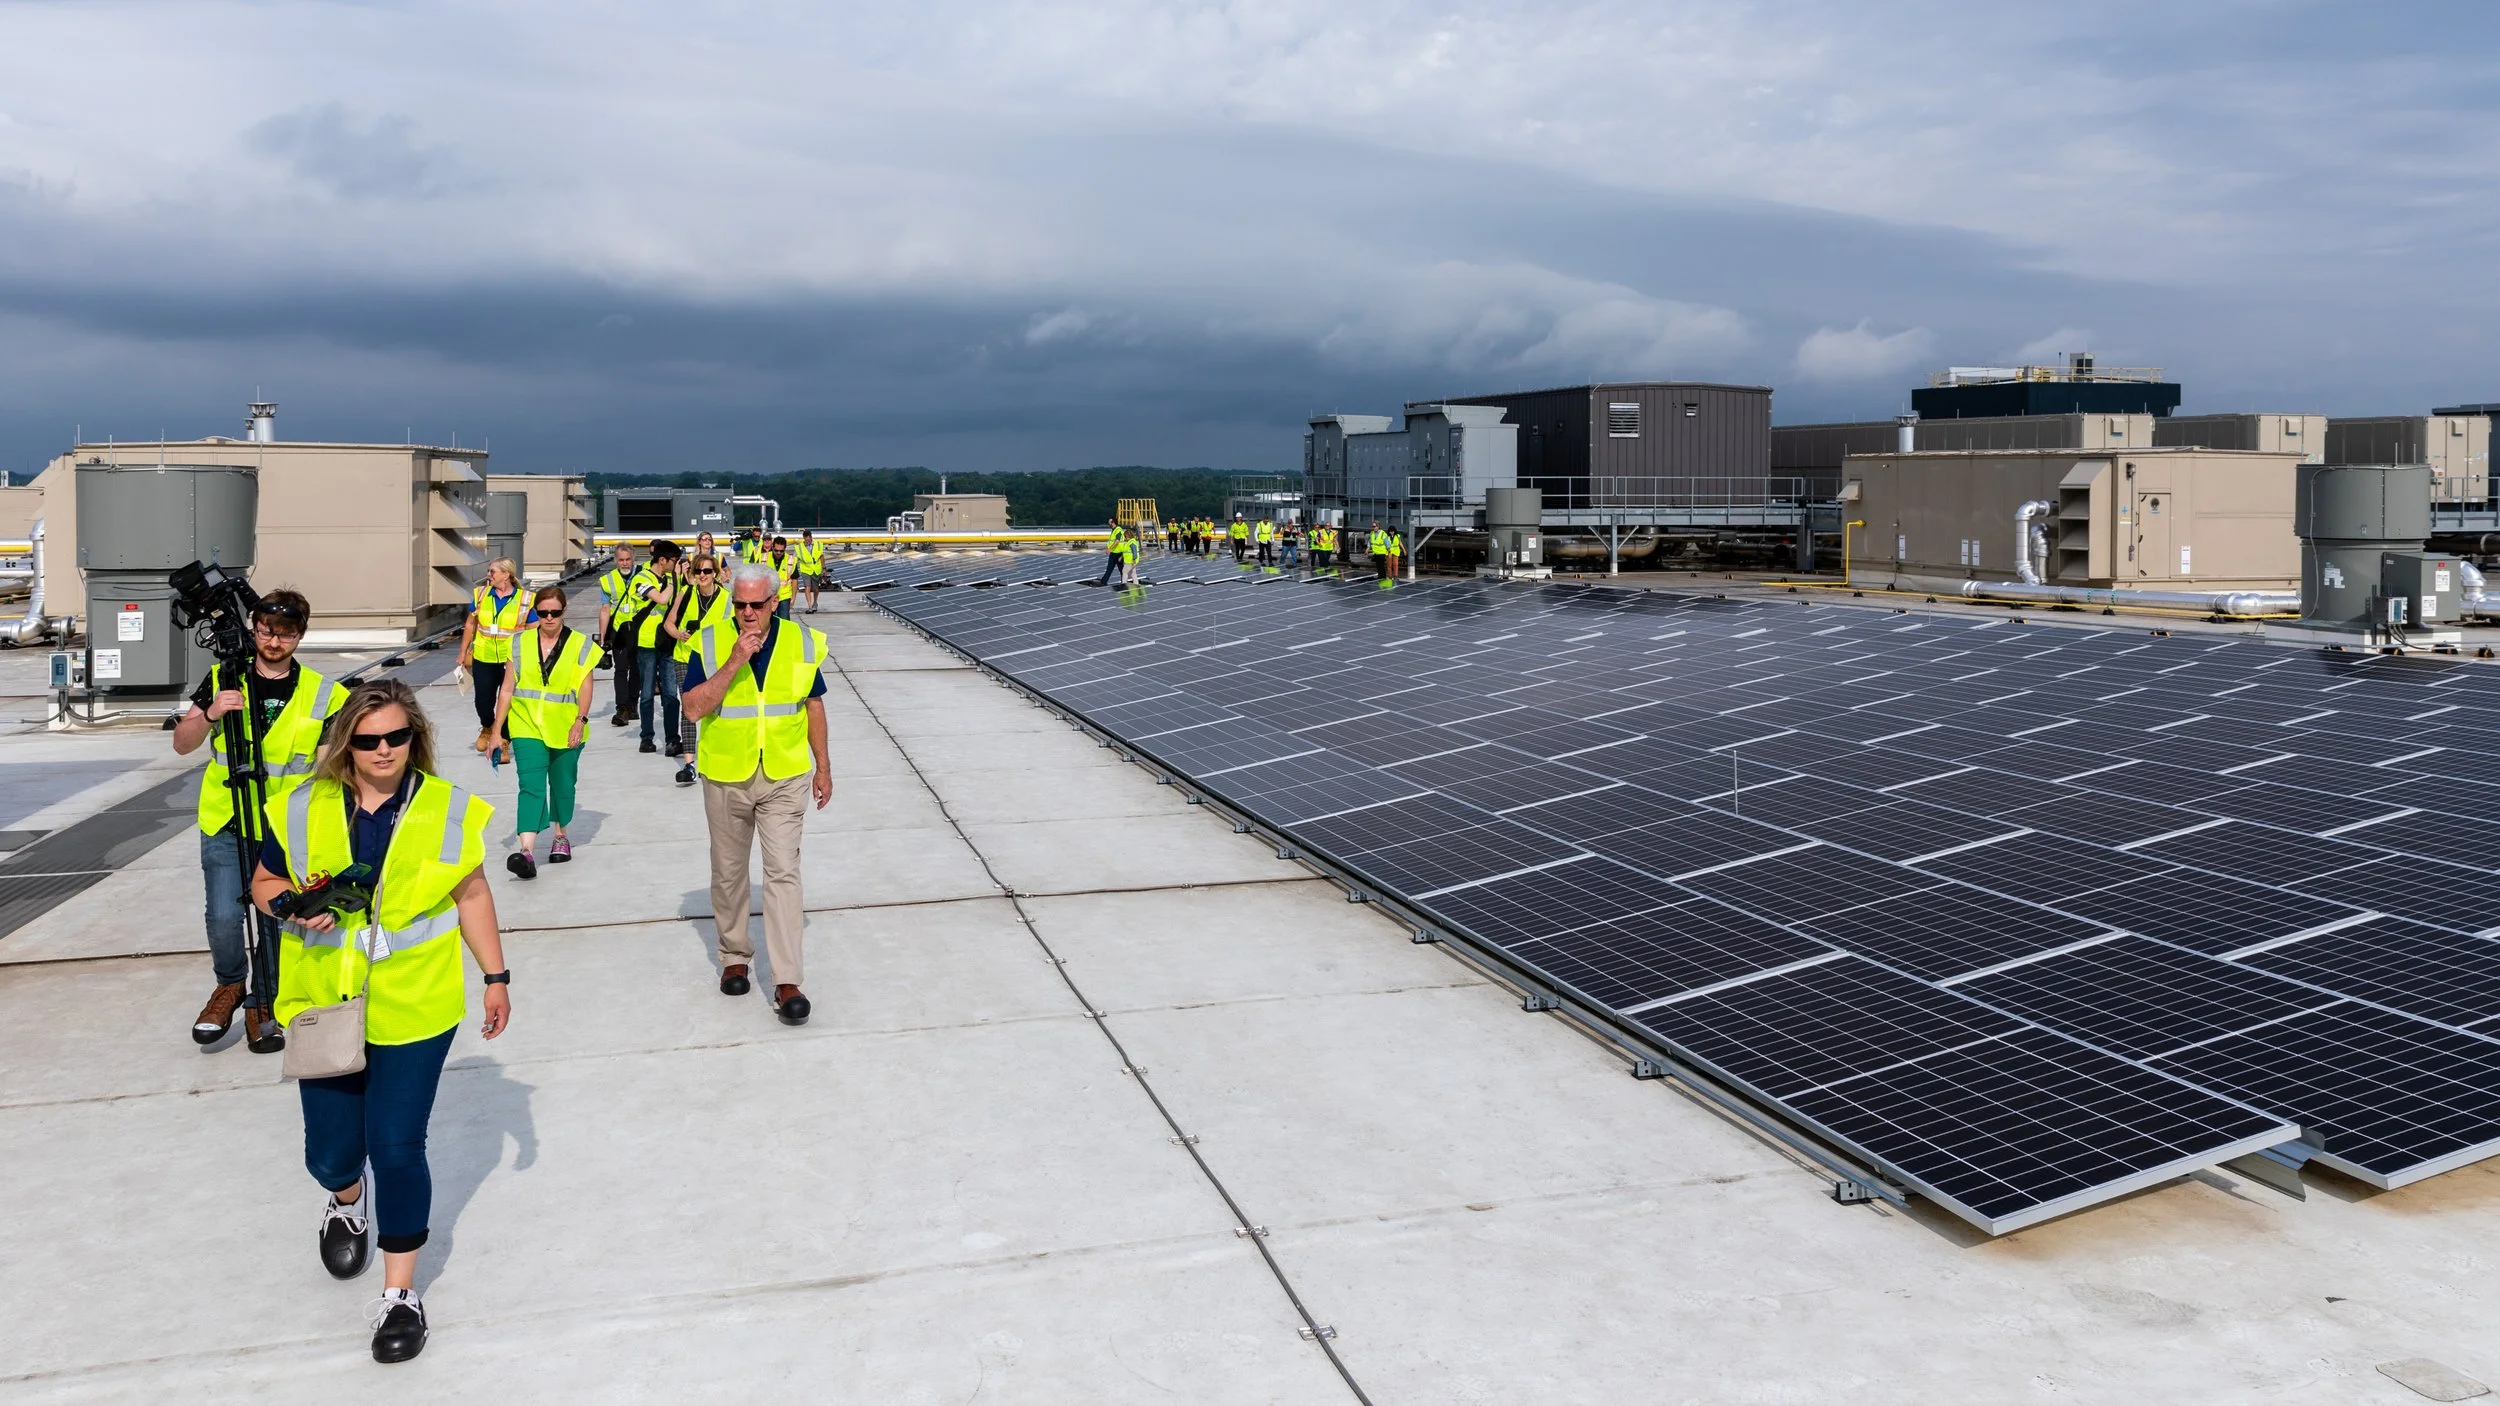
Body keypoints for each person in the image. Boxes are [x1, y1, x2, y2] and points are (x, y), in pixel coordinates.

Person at [249, 679, 508, 1364]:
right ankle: (344, 1198)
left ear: (414, 736)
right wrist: (292, 907)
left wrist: (496, 977)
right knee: (330, 1153)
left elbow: (472, 893)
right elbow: (263, 882)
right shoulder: (302, 806)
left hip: (415, 1001)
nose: (384, 749)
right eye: (368, 740)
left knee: (397, 1144)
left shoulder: (447, 809)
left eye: (396, 736)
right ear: (347, 745)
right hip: (325, 1000)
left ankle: (400, 1296)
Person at [171, 588, 339, 1053]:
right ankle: (228, 987)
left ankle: (262, 1003)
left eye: (285, 634)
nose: (273, 641)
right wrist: (209, 713)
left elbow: (331, 766)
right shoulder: (222, 678)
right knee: (225, 916)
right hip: (225, 818)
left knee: (274, 920)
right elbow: (182, 744)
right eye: (266, 630)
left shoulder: (325, 694)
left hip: (286, 828)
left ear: (299, 636)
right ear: (253, 629)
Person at [681, 563, 831, 1025]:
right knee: (729, 873)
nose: (747, 613)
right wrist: (734, 661)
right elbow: (692, 708)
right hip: (727, 774)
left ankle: (787, 980)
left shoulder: (804, 641)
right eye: (739, 604)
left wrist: (823, 765)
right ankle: (734, 956)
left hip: (785, 774)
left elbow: (812, 704)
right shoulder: (707, 642)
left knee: (783, 873)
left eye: (756, 604)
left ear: (773, 602)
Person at [491, 584, 603, 878]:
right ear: (536, 613)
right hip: (526, 724)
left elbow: (586, 685)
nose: (549, 618)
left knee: (563, 784)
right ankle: (526, 851)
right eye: (543, 613)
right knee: (530, 784)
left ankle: (560, 835)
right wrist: (495, 731)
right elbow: (506, 689)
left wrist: (581, 719)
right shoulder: (519, 643)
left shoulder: (580, 644)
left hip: (566, 727)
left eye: (554, 612)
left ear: (564, 611)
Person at [662, 553, 729, 787]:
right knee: (689, 708)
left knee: (719, 706)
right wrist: (679, 633)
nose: (702, 575)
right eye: (698, 571)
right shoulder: (687, 593)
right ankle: (689, 765)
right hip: (685, 658)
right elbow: (668, 623)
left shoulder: (727, 599)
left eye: (707, 571)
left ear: (715, 574)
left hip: (713, 661)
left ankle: (720, 753)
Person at [456, 558, 526, 758]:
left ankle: (503, 741)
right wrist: (463, 651)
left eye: (492, 571)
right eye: (489, 571)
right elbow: (470, 624)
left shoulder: (525, 599)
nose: (489, 575)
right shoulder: (481, 595)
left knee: (508, 702)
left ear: (506, 574)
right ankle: (487, 726)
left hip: (510, 660)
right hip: (484, 657)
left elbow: (532, 629)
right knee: (483, 702)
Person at [633, 540, 686, 759]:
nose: (676, 564)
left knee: (670, 694)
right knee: (646, 693)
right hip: (646, 644)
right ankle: (647, 737)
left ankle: (673, 739)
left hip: (667, 642)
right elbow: (662, 599)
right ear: (662, 560)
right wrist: (674, 580)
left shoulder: (669, 578)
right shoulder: (641, 578)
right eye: (674, 561)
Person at [597, 544, 641, 728]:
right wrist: (602, 637)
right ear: (616, 560)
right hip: (619, 631)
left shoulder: (642, 576)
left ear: (633, 559)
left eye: (627, 559)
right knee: (621, 669)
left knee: (637, 669)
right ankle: (622, 708)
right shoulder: (607, 580)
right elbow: (605, 608)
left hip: (639, 629)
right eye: (621, 560)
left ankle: (632, 704)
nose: (624, 563)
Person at [765, 535, 797, 619]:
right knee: (768, 621)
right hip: (767, 596)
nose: (778, 553)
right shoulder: (763, 558)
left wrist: (793, 598)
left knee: (784, 620)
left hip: (784, 596)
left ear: (785, 549)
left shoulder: (791, 560)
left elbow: (794, 580)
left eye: (781, 551)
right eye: (776, 550)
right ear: (772, 547)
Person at [795, 530, 825, 613]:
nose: (808, 541)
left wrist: (824, 568)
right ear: (804, 538)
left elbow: (821, 557)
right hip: (805, 570)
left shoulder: (818, 545)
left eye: (809, 539)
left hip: (816, 570)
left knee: (815, 588)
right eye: (806, 539)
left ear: (811, 537)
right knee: (807, 587)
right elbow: (795, 559)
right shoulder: (799, 547)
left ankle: (815, 602)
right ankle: (809, 607)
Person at [1097, 519, 1127, 586]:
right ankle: (1103, 581)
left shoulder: (1118, 530)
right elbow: (1112, 541)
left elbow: (1117, 541)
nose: (1108, 524)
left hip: (1119, 553)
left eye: (1109, 523)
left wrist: (1109, 549)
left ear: (1113, 523)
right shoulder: (1113, 530)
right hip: (1113, 553)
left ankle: (1124, 582)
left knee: (1121, 570)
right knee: (1109, 569)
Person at [1119, 521, 1142, 586]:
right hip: (1131, 561)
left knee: (1124, 572)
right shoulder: (1130, 542)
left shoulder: (1131, 542)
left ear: (1129, 535)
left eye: (1125, 536)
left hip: (1130, 561)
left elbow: (1134, 551)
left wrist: (1134, 559)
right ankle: (1136, 584)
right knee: (1133, 573)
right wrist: (1121, 557)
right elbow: (1126, 551)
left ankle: (1124, 584)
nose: (1125, 538)